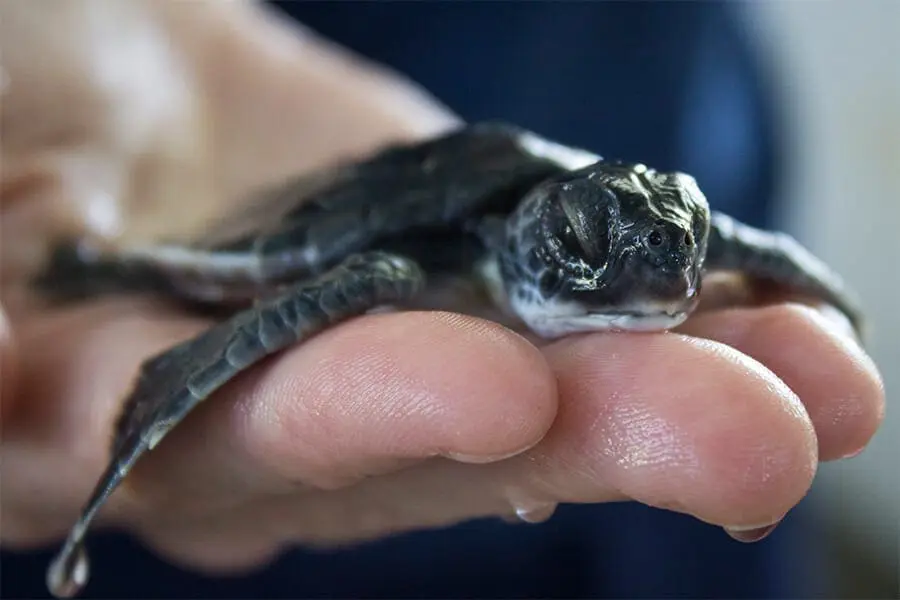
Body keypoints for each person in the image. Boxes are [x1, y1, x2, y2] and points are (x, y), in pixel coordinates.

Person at [0, 1, 884, 597]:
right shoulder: (405, 260)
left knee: (715, 476)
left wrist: (818, 296)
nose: (654, 269)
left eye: (683, 249)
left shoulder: (667, 231)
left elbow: (699, 237)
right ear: (532, 237)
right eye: (583, 245)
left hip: (630, 54)